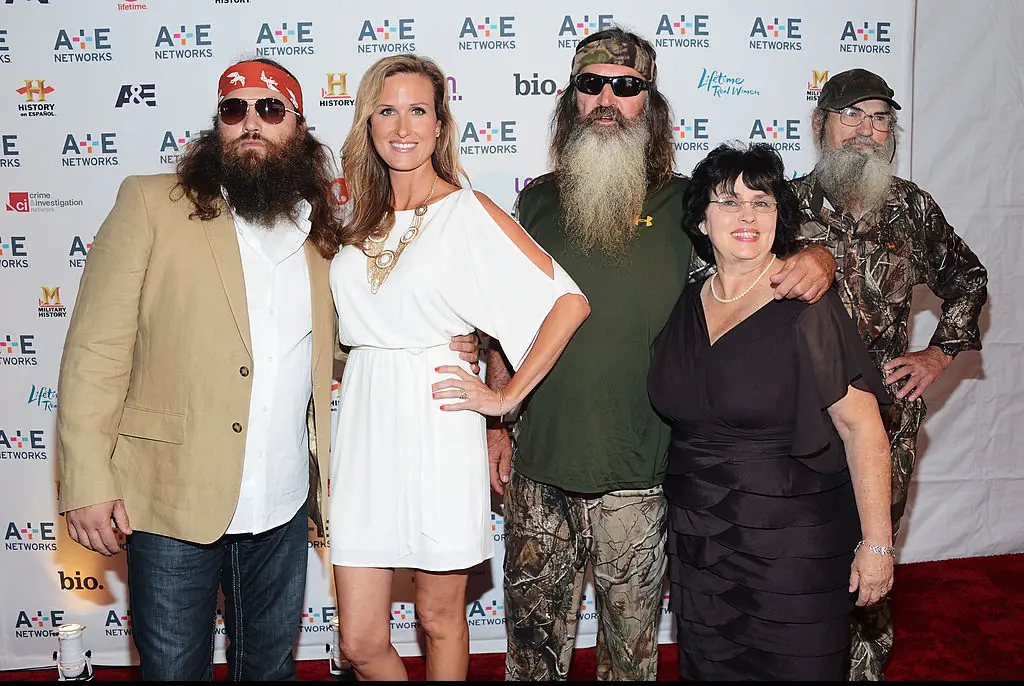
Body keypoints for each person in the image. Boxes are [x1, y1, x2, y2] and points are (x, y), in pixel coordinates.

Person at [54, 58, 478, 680]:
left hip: (280, 508)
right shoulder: (150, 204)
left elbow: (351, 340)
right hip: (172, 500)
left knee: (271, 670)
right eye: (234, 110)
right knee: (172, 670)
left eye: (270, 110)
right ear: (217, 127)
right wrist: (87, 478)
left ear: (298, 129)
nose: (251, 123)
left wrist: (451, 341)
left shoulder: (323, 235)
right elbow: (94, 351)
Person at [484, 27, 837, 681]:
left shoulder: (690, 205)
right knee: (532, 661)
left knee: (631, 660)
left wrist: (818, 255)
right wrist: (496, 425)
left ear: (651, 102)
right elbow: (501, 321)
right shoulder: (534, 201)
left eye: (627, 85)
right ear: (572, 100)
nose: (608, 99)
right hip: (541, 477)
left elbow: (764, 258)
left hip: (641, 479)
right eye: (592, 85)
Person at [328, 53, 590, 682]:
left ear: (441, 126)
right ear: (367, 123)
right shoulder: (356, 225)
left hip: (438, 421)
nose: (402, 125)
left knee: (440, 619)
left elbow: (567, 302)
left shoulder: (468, 212)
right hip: (364, 426)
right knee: (360, 641)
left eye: (418, 110)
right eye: (386, 110)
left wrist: (504, 400)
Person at [648, 141, 895, 681]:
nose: (747, 215)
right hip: (700, 539)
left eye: (762, 203)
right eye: (729, 201)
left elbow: (862, 427)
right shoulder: (687, 302)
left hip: (790, 544)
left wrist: (878, 544)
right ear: (701, 219)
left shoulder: (805, 305)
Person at [796, 68, 989, 681]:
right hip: (795, 422)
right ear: (821, 124)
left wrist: (937, 353)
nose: (866, 131)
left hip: (885, 419)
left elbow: (969, 278)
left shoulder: (912, 209)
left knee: (873, 558)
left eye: (880, 119)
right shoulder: (778, 205)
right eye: (852, 115)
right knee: (796, 563)